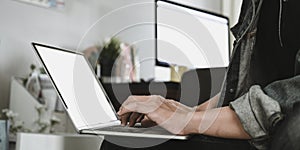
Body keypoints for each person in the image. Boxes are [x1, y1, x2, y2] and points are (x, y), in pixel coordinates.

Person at [116, 0, 300, 149]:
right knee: (125, 141)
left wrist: (190, 120)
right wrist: (190, 111)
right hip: (253, 128)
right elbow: (249, 86)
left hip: (278, 133)